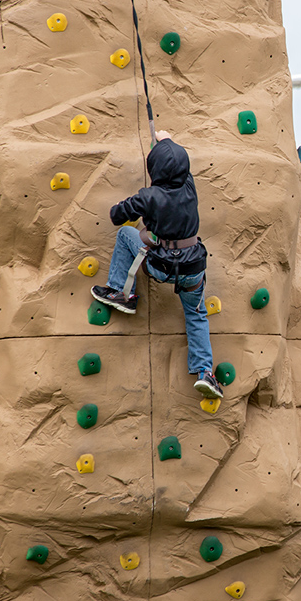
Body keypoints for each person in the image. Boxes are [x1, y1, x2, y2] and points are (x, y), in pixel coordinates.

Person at [91, 130, 223, 400]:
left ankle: (121, 292)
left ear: (155, 169)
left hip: (160, 266)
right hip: (192, 270)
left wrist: (135, 202)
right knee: (196, 316)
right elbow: (179, 166)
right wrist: (166, 141)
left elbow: (117, 216)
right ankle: (205, 372)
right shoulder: (189, 186)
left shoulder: (149, 196)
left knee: (126, 234)